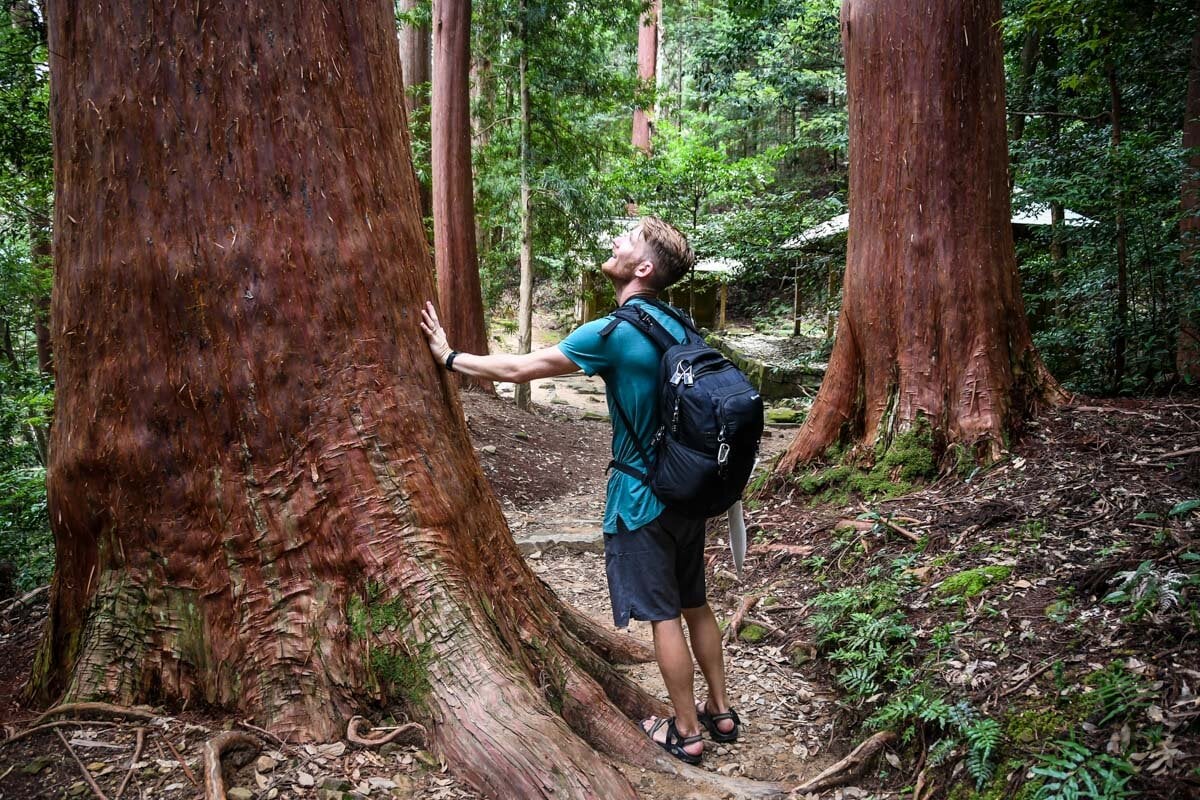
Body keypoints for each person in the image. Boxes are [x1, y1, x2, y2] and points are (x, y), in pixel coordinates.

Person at [419, 217, 739, 764]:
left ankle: (685, 731)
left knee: (663, 615)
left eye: (628, 241)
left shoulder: (613, 333)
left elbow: (522, 368)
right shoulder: (681, 328)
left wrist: (450, 357)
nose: (614, 244)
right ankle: (722, 711)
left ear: (642, 268)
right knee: (695, 603)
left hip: (642, 498)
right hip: (691, 492)